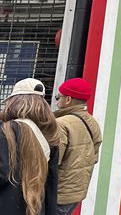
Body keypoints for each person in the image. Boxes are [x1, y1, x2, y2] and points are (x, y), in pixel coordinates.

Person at [0, 78, 60, 215]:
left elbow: (2, 173)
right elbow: (51, 183)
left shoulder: (6, 130)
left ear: (14, 101)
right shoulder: (50, 136)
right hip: (35, 208)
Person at [53, 78, 102, 215]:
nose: (57, 102)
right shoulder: (93, 123)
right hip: (77, 193)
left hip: (58, 193)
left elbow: (52, 161)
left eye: (59, 97)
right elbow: (94, 157)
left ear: (68, 99)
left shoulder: (61, 124)